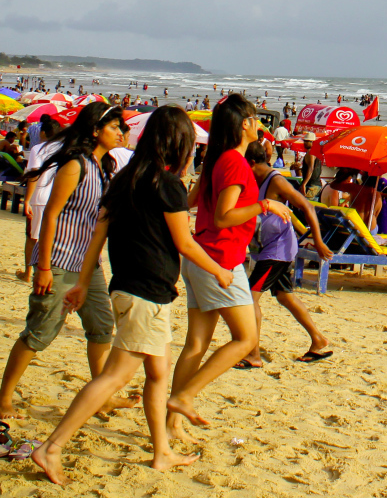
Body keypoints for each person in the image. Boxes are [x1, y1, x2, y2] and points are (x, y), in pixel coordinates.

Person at [30, 107, 231, 484]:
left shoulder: (123, 178)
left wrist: (81, 282)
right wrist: (219, 270)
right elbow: (184, 242)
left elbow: (98, 236)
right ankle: (52, 446)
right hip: (145, 295)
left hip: (128, 287)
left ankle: (162, 453)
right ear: (179, 143)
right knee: (115, 377)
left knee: (157, 372)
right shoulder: (167, 184)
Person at [166, 94, 290, 439]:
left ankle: (172, 423)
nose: (260, 124)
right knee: (245, 338)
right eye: (255, 118)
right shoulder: (233, 163)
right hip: (220, 259)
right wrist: (264, 204)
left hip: (201, 257)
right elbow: (223, 216)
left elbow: (190, 201)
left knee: (196, 344)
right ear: (244, 124)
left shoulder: (217, 160)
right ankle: (185, 398)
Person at [0, 103, 128, 420]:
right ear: (96, 130)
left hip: (89, 266)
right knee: (40, 333)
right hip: (59, 262)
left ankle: (100, 396)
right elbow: (51, 216)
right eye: (114, 127)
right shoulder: (76, 165)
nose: (120, 133)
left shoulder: (103, 167)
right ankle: (3, 398)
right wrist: (43, 267)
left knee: (101, 327)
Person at [239, 142, 334, 367]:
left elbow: (308, 207)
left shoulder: (276, 180)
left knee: (250, 298)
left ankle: (253, 355)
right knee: (284, 296)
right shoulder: (256, 180)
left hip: (278, 249)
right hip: (268, 248)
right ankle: (318, 340)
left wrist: (318, 241)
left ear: (251, 162)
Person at [17, 114, 61, 283]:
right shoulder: (64, 149)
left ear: (43, 133)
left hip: (39, 197)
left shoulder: (39, 149)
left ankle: (28, 273)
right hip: (56, 198)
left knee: (32, 237)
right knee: (52, 236)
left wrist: (27, 200)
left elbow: (33, 176)